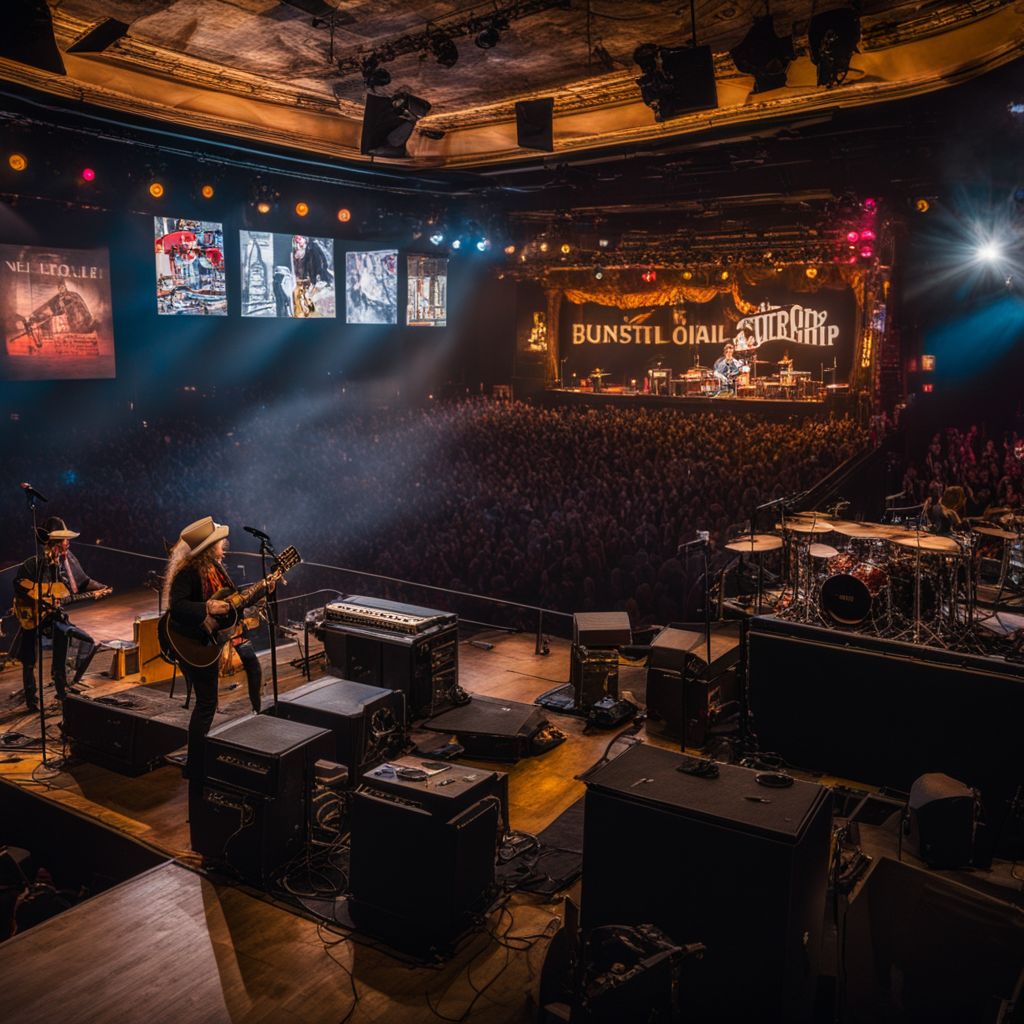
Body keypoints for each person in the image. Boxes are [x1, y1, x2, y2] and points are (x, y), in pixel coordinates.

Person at [162, 517, 262, 803]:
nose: (224, 546)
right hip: (192, 643)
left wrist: (264, 587)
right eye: (220, 542)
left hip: (212, 639)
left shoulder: (215, 569)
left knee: (214, 697)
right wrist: (207, 606)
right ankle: (195, 767)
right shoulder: (189, 572)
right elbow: (177, 607)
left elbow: (230, 602)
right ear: (208, 548)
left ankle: (256, 715)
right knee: (206, 704)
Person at [12, 517, 105, 711]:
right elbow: (19, 584)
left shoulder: (68, 559)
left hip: (54, 614)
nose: (67, 542)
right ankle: (31, 699)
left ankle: (62, 688)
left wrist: (100, 587)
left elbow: (83, 582)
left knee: (72, 638)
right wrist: (40, 596)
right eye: (63, 539)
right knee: (29, 658)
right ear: (54, 542)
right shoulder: (34, 563)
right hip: (34, 615)